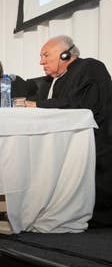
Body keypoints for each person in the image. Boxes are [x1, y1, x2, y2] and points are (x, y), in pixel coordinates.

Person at [25, 35, 112, 226]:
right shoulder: (54, 81)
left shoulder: (90, 67)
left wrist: (36, 105)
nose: (41, 61)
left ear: (65, 54)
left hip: (97, 144)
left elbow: (82, 105)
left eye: (46, 55)